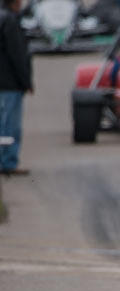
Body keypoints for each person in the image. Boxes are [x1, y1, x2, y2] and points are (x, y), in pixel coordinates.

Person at [0, 0, 32, 176]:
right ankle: (8, 162)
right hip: (10, 83)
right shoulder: (10, 21)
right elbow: (18, 54)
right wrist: (26, 81)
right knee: (10, 125)